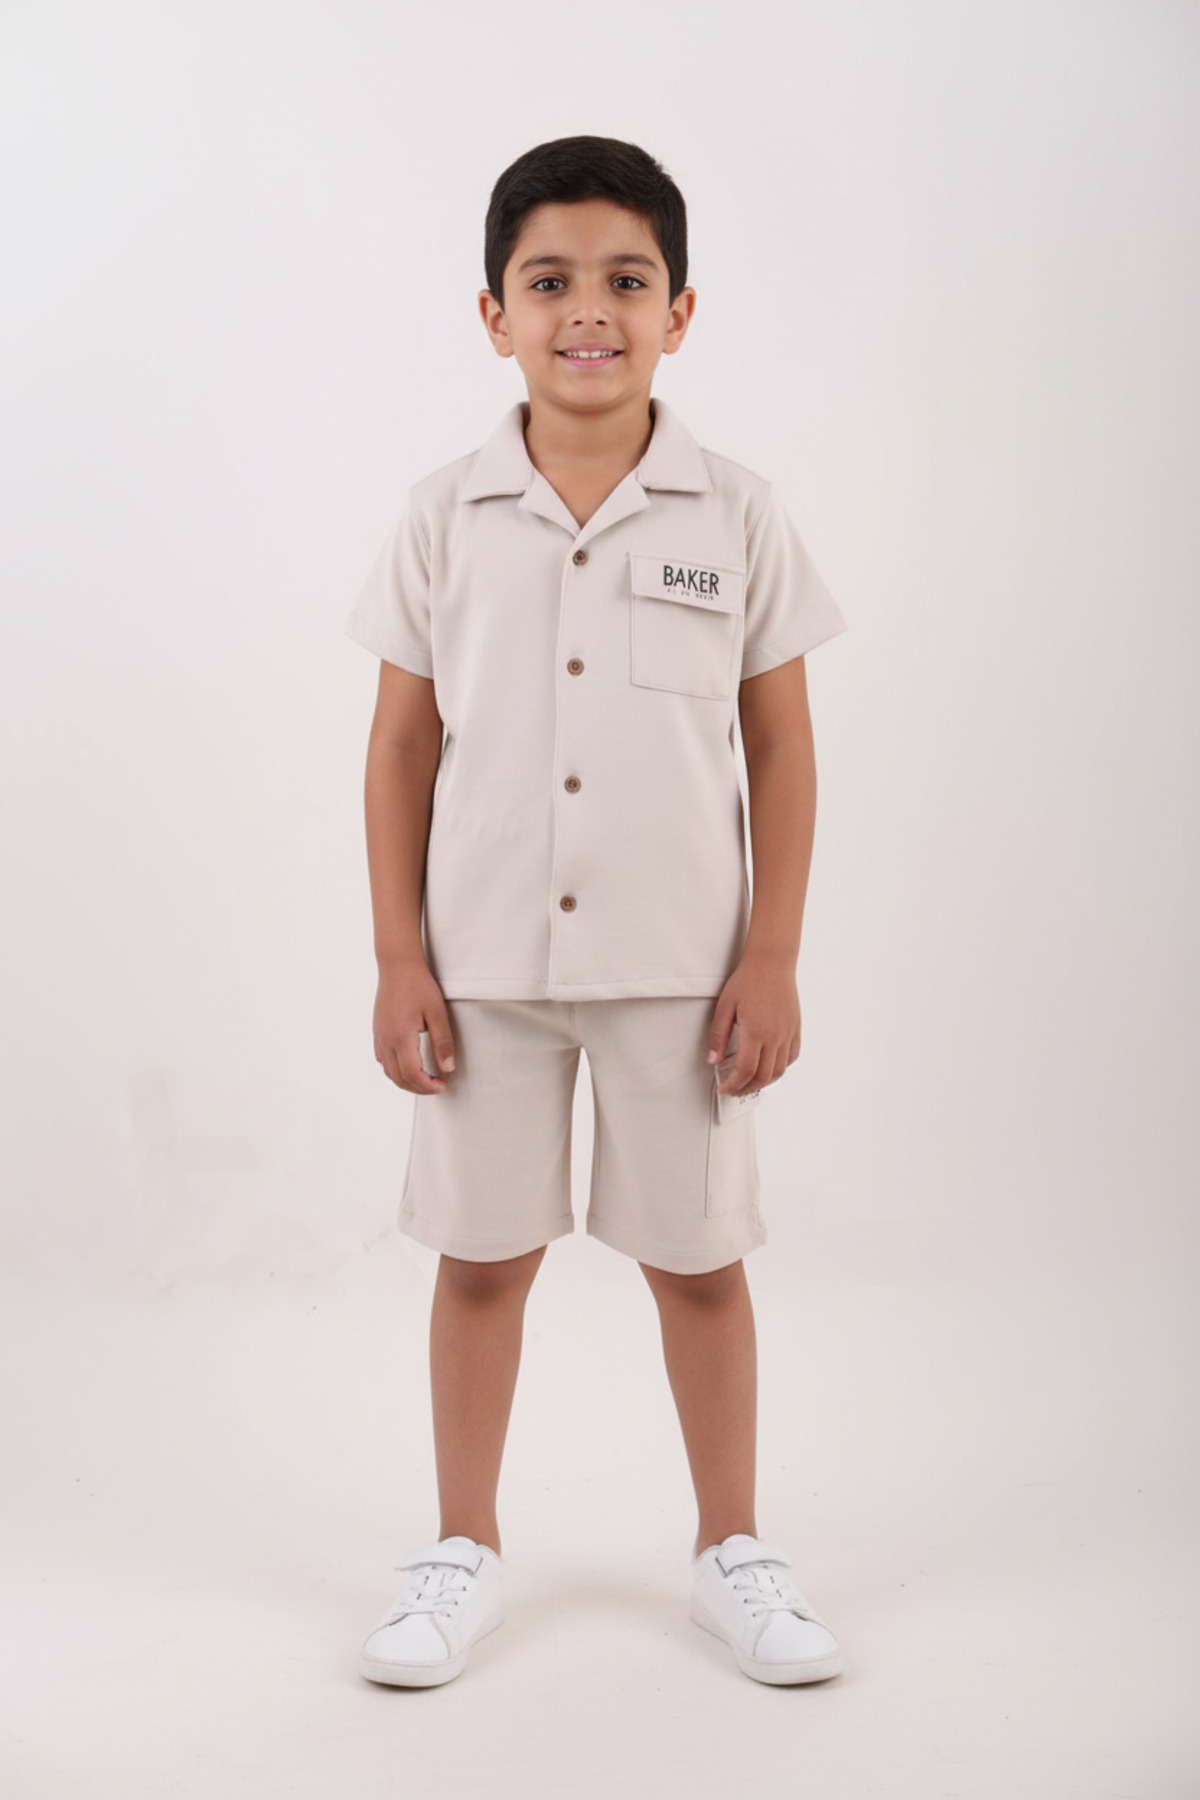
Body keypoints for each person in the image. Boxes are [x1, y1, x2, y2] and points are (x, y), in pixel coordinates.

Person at [346, 135, 848, 1689]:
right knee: (481, 1260)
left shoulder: (737, 512)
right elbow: (401, 745)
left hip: (682, 973)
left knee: (699, 1263)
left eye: (626, 280)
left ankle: (731, 1550)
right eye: (548, 279)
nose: (588, 310)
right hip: (484, 966)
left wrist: (773, 952)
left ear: (679, 312)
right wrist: (398, 955)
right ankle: (462, 1549)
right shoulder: (444, 515)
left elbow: (780, 742)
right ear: (492, 313)